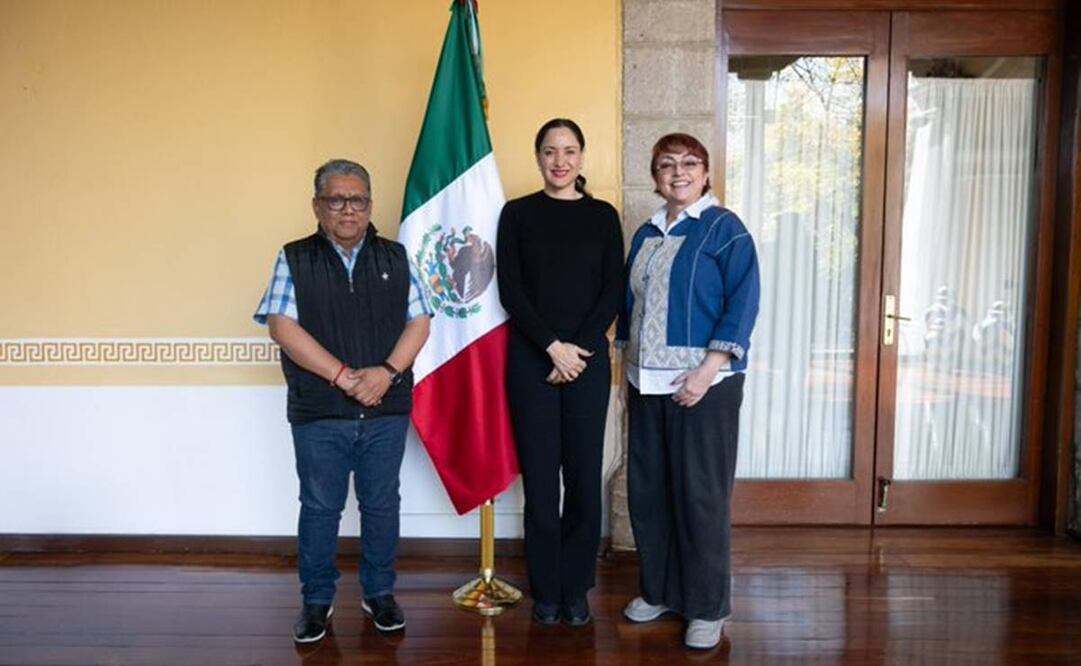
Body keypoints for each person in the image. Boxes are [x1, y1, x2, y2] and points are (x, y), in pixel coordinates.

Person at [253, 159, 432, 644]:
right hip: (319, 411)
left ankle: (380, 593)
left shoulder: (396, 257)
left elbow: (420, 322)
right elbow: (281, 326)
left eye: (357, 200)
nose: (348, 209)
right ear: (317, 206)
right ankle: (316, 601)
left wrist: (386, 373)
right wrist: (343, 376)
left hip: (385, 408)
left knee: (381, 504)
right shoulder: (294, 257)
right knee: (319, 506)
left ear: (369, 205)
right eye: (336, 200)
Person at [616, 133, 760, 650]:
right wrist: (625, 376)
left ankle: (706, 606)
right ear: (655, 177)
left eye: (689, 163)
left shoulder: (725, 229)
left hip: (704, 386)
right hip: (646, 384)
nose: (678, 172)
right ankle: (658, 591)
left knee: (700, 496)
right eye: (666, 164)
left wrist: (707, 370)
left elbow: (743, 302)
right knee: (650, 493)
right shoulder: (646, 233)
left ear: (706, 173)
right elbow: (630, 308)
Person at [496, 118, 625, 626]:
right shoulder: (516, 214)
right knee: (541, 482)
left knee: (583, 478)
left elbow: (612, 290)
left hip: (587, 364)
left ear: (581, 157)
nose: (560, 161)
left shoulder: (602, 216)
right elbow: (511, 290)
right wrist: (552, 348)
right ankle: (547, 591)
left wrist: (575, 352)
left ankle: (577, 588)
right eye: (550, 151)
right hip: (532, 362)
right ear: (538, 157)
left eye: (569, 151)